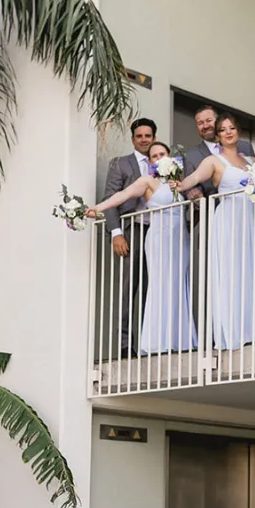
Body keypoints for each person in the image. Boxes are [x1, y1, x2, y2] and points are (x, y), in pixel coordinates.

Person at [176, 113, 255, 350]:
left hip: (250, 220)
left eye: (232, 128)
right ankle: (232, 331)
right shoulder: (213, 161)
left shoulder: (251, 161)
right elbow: (193, 179)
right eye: (223, 129)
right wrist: (175, 182)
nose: (229, 132)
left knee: (251, 269)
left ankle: (253, 329)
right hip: (228, 220)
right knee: (231, 273)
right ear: (218, 136)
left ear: (237, 131)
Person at [88, 140, 195, 354]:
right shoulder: (147, 181)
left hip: (179, 239)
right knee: (159, 285)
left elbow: (195, 200)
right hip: (158, 238)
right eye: (154, 156)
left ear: (169, 156)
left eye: (162, 154)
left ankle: (179, 340)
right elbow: (121, 196)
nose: (158, 158)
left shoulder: (180, 181)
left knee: (178, 284)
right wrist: (97, 208)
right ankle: (157, 341)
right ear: (150, 161)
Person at [101, 117, 157, 356]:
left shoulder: (163, 161)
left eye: (148, 136)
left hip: (158, 231)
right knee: (128, 288)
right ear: (133, 138)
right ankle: (125, 346)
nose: (144, 140)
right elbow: (110, 199)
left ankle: (149, 342)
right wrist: (116, 233)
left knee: (153, 287)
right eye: (139, 136)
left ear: (154, 137)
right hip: (132, 229)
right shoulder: (121, 163)